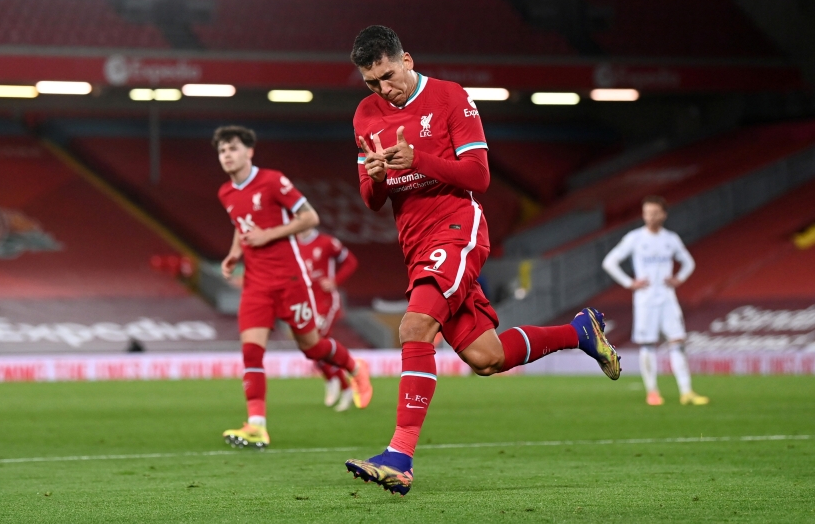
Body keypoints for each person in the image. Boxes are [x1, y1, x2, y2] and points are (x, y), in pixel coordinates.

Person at [343, 25, 621, 496]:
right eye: (372, 83)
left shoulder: (451, 98)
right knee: (486, 357)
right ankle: (580, 332)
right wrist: (374, 177)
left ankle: (399, 456)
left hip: (456, 228)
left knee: (413, 328)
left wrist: (417, 161)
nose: (382, 90)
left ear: (406, 60)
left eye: (388, 76)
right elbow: (372, 200)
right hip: (415, 246)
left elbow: (480, 176)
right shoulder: (365, 115)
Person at [214, 125, 373, 450]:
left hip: (289, 279)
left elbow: (309, 217)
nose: (226, 155)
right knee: (251, 352)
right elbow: (241, 225)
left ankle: (356, 367)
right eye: (221, 151)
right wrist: (234, 253)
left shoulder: (272, 180)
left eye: (232, 148)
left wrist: (269, 234)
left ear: (249, 151)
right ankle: (257, 425)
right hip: (256, 284)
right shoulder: (226, 193)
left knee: (312, 347)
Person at [602, 196, 709, 407]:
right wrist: (629, 282)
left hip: (668, 298)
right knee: (648, 344)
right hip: (645, 300)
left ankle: (686, 392)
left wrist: (679, 278)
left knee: (678, 341)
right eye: (646, 213)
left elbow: (688, 262)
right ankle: (652, 392)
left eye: (654, 213)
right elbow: (609, 262)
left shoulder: (670, 239)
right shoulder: (635, 238)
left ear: (663, 214)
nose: (650, 217)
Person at [296, 228, 360, 411]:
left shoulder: (326, 242)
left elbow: (350, 261)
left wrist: (335, 281)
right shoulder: (293, 245)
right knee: (310, 347)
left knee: (317, 343)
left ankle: (345, 388)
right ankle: (332, 379)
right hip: (306, 303)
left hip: (325, 300)